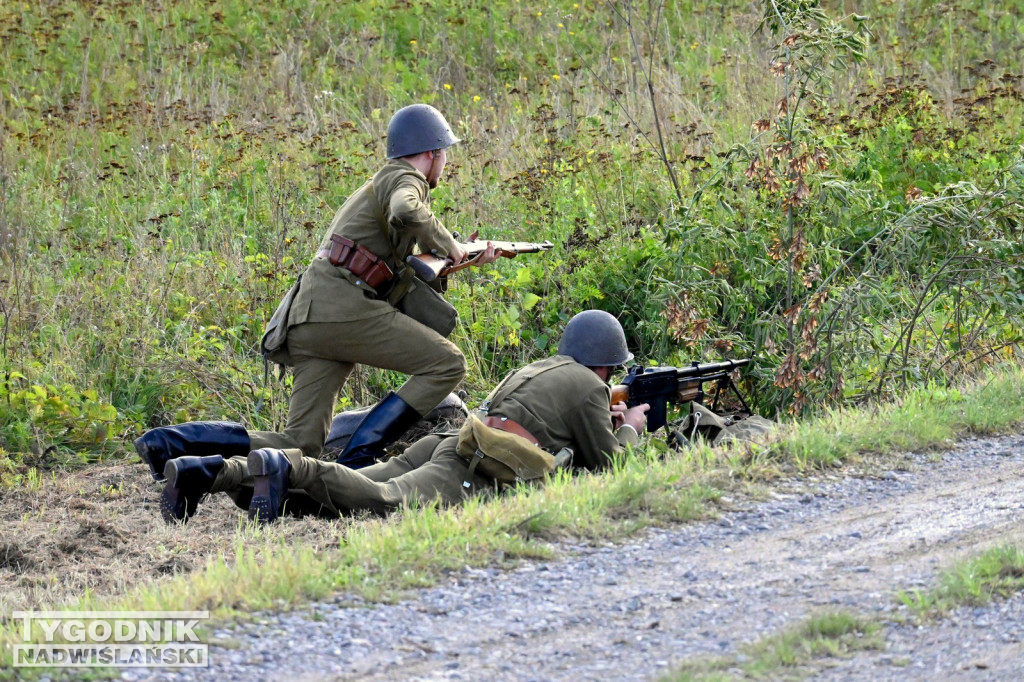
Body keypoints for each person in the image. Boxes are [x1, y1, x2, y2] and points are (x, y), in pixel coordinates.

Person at [136, 103, 497, 483]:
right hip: (342, 310)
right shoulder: (405, 178)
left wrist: (453, 258)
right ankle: (360, 459)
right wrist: (449, 243)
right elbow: (406, 209)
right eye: (445, 156)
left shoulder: (381, 182)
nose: (445, 164)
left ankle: (174, 444)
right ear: (433, 153)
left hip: (311, 318)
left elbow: (396, 259)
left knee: (301, 445)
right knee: (447, 364)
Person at [159, 310, 651, 524]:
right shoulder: (591, 384)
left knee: (340, 491)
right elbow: (611, 471)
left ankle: (213, 471)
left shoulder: (543, 367)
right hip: (472, 465)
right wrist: (629, 429)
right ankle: (288, 467)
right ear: (605, 363)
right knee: (381, 499)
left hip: (453, 441)